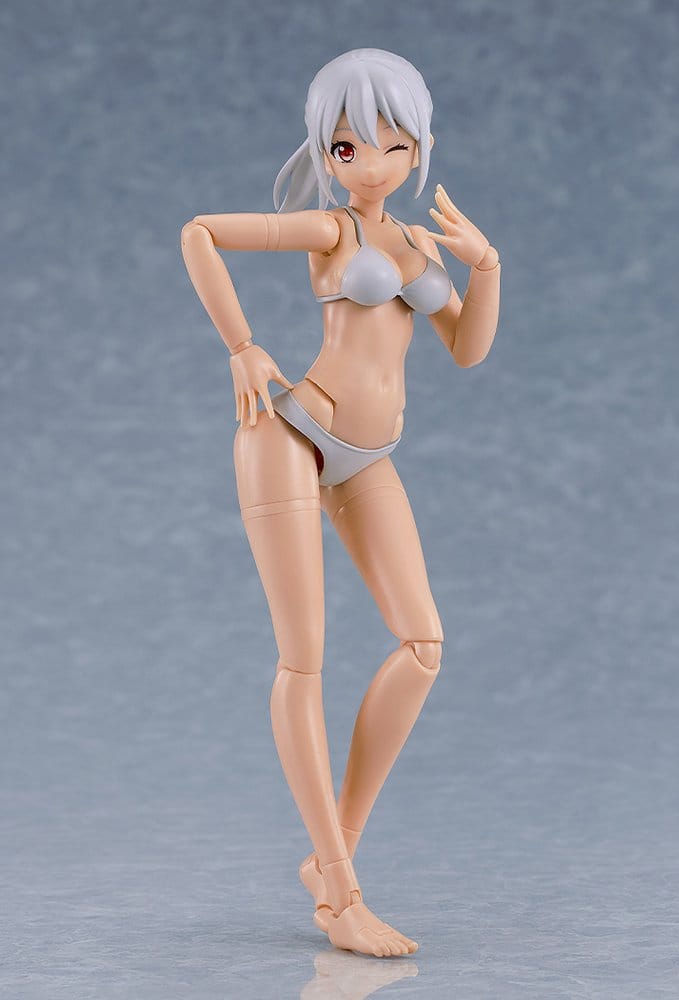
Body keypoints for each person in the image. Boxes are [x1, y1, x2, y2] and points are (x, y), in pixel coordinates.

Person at [181, 47, 500, 957]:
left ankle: (334, 856)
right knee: (305, 659)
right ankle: (341, 896)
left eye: (393, 145)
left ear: (417, 149)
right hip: (290, 434)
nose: (370, 164)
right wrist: (242, 345)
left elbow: (467, 350)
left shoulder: (417, 246)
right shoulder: (330, 230)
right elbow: (199, 232)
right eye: (348, 147)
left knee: (424, 644)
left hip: (368, 458)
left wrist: (487, 266)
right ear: (327, 152)